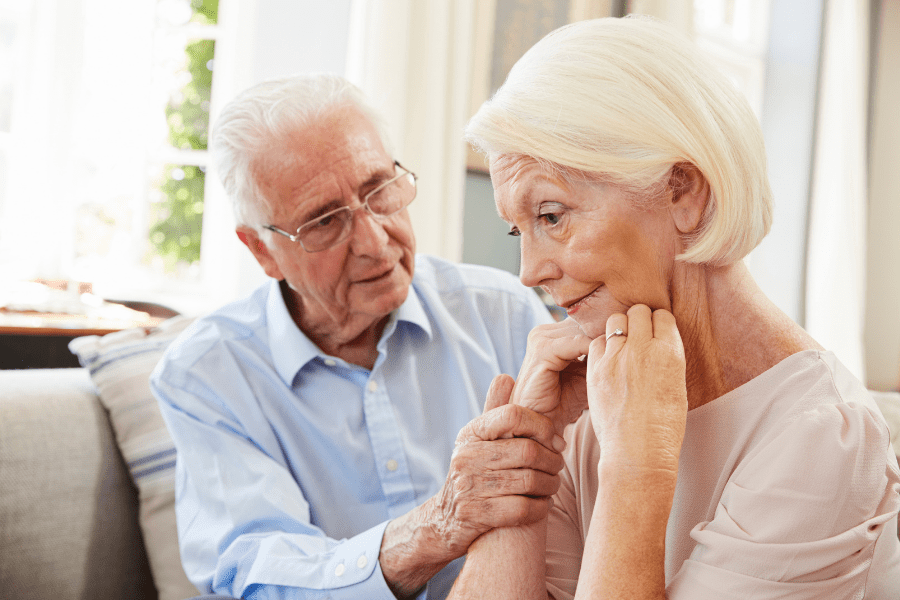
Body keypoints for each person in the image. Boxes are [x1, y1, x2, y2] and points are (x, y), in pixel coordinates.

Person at [449, 15, 900, 600]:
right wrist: (520, 471)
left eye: (552, 216)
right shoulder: (590, 395)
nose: (529, 270)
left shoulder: (819, 442)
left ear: (683, 193)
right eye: (519, 231)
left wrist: (636, 471)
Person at [150, 73, 563, 600]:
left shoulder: (503, 312)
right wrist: (436, 527)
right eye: (324, 221)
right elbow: (258, 573)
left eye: (380, 191)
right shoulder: (207, 373)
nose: (374, 240)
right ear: (261, 250)